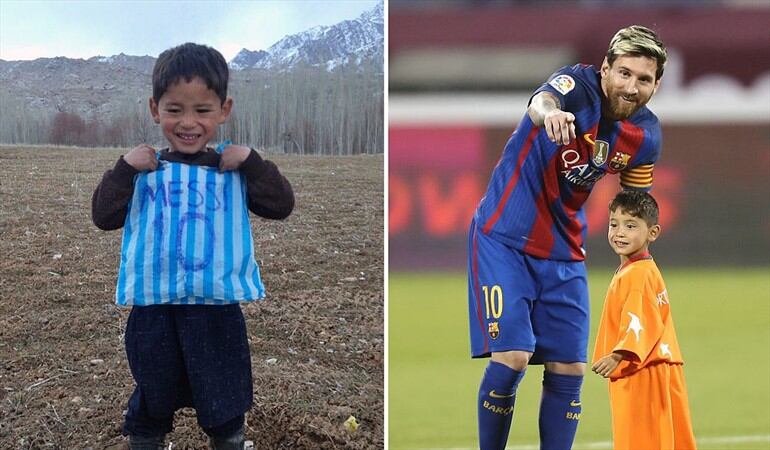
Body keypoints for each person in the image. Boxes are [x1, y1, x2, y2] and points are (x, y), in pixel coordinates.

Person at [467, 25, 667, 449]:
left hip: (565, 249)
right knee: (513, 357)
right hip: (505, 237)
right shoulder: (575, 86)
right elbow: (542, 101)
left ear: (656, 85)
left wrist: (638, 271)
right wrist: (551, 115)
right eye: (624, 73)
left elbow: (635, 206)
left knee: (570, 369)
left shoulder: (646, 136)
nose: (632, 87)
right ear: (605, 69)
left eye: (644, 79)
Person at [92, 43, 294, 449]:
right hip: (155, 311)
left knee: (224, 399)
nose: (188, 122)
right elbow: (103, 216)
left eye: (202, 110)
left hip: (216, 312)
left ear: (223, 109)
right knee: (152, 395)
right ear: (155, 109)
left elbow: (281, 206)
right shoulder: (142, 169)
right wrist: (123, 169)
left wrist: (253, 163)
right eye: (174, 110)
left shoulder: (232, 168)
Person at [591, 190, 696, 450]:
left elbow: (640, 322)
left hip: (642, 371)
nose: (619, 233)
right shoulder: (643, 268)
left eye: (630, 226)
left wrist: (617, 355)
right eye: (614, 224)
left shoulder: (636, 275)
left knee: (642, 442)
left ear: (653, 232)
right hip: (658, 368)